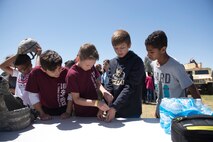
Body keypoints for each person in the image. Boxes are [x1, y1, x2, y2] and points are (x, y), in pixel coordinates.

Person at [144, 30, 201, 118]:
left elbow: (191, 87)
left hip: (176, 115)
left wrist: (200, 109)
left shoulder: (176, 66)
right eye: (147, 51)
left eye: (151, 52)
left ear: (163, 49)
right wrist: (157, 111)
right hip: (161, 113)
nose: (148, 55)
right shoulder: (153, 64)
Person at [105, 29, 146, 122]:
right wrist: (106, 103)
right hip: (114, 110)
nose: (119, 51)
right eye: (116, 48)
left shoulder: (136, 61)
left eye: (122, 47)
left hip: (131, 111)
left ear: (129, 45)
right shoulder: (112, 62)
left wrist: (114, 107)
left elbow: (130, 87)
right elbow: (110, 84)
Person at [66, 43, 112, 118]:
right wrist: (97, 103)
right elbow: (76, 99)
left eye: (92, 64)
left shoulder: (91, 66)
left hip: (97, 110)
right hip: (82, 115)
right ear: (79, 58)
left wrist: (104, 92)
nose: (90, 68)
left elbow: (97, 83)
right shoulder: (72, 74)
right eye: (88, 65)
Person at [25, 50, 72, 120]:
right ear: (43, 70)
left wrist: (68, 112)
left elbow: (71, 94)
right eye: (53, 71)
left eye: (59, 68)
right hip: (45, 110)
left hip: (65, 109)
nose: (58, 72)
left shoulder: (66, 72)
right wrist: (42, 113)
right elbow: (32, 95)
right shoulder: (35, 73)